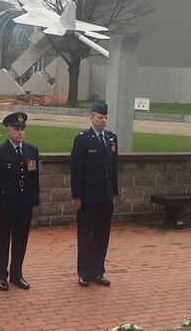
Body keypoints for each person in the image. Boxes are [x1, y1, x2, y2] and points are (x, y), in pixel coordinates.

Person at [0, 112, 40, 291]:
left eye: (22, 129)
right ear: (8, 129)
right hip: (5, 205)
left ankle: (17, 274)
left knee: (21, 240)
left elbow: (34, 178)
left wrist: (34, 199)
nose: (20, 132)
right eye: (16, 129)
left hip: (24, 204)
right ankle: (2, 275)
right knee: (3, 240)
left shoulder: (31, 151)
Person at [70, 102, 118, 288]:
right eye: (100, 117)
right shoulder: (83, 139)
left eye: (105, 117)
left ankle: (97, 271)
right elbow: (76, 169)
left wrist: (114, 192)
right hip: (88, 196)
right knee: (85, 235)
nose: (103, 120)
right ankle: (84, 272)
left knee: (102, 235)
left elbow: (113, 168)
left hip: (106, 197)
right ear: (91, 117)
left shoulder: (111, 138)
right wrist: (76, 196)